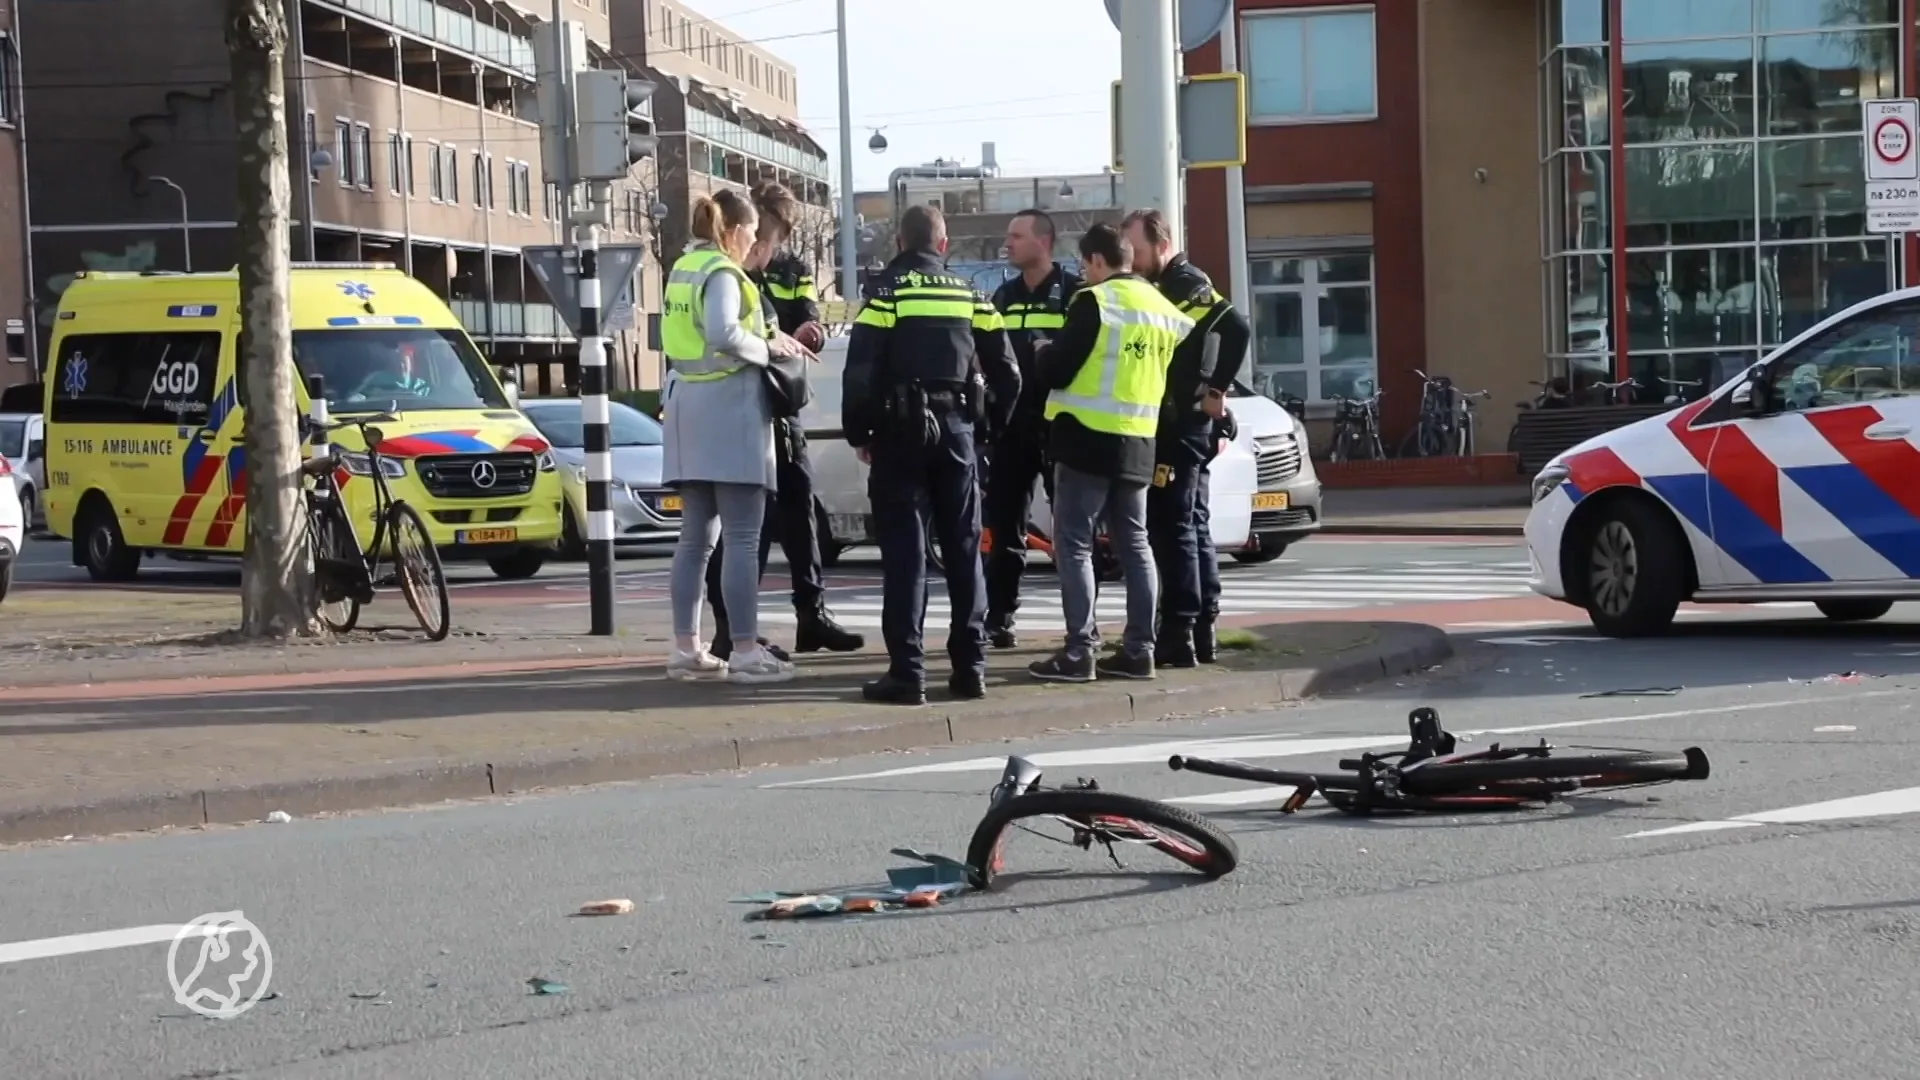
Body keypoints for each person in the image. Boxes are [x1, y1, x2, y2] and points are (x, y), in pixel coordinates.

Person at [843, 205, 1020, 705]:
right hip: (958, 433)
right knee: (964, 551)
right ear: (943, 245)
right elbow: (1008, 373)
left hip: (899, 437)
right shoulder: (971, 295)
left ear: (900, 243)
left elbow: (860, 372)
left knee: (906, 555)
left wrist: (861, 433)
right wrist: (988, 430)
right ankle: (971, 669)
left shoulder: (886, 294)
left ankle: (908, 673)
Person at [702, 181, 864, 661]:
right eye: (763, 238)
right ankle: (733, 628)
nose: (767, 250)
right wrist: (774, 340)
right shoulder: (728, 271)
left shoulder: (792, 271)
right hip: (744, 402)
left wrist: (807, 333)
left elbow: (809, 320)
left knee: (800, 508)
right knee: (748, 520)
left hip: (782, 401)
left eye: (773, 241)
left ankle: (811, 615)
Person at [1027, 223, 1193, 683]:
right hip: (1139, 439)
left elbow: (1060, 370)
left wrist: (1042, 351)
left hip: (1086, 438)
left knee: (1074, 543)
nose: (1084, 274)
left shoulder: (1095, 302)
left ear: (1098, 260)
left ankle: (1080, 651)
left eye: (1085, 265)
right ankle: (1140, 650)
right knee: (1136, 544)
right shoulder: (1162, 308)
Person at [659, 190, 805, 685]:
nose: (754, 242)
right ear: (736, 230)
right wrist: (768, 348)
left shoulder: (683, 268)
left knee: (694, 539)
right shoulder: (723, 272)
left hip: (687, 406)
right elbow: (723, 333)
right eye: (752, 233)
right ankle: (744, 650)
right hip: (729, 409)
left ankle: (686, 647)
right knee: (742, 536)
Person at [1121, 209, 1252, 668]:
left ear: (1163, 245)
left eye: (1137, 251)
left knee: (1173, 527)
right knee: (1192, 523)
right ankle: (1200, 629)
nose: (1132, 260)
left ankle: (1179, 630)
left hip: (1181, 427)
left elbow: (1235, 327)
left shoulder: (1185, 283)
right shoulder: (1166, 284)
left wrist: (1216, 391)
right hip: (1181, 423)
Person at [983, 209, 1083, 648]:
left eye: (1017, 236)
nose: (1008, 243)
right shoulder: (1003, 297)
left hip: (1062, 426)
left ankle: (1081, 626)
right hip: (1012, 428)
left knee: (1071, 532)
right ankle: (999, 619)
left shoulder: (1076, 295)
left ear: (1043, 241)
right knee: (1005, 526)